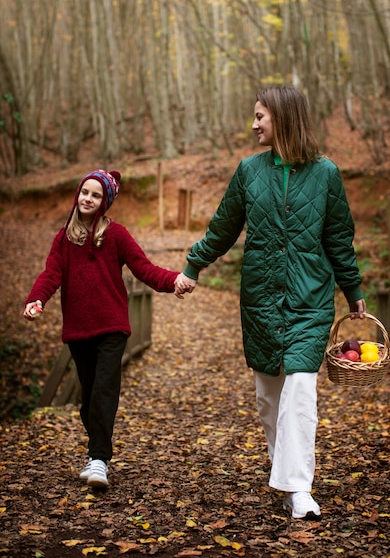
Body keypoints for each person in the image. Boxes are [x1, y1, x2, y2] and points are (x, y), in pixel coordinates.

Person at [175, 85, 366, 520]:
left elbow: (339, 239)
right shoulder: (248, 170)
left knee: (300, 390)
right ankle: (286, 475)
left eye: (260, 115)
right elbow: (223, 227)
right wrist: (192, 267)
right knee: (269, 396)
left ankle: (298, 489)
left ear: (282, 117)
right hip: (261, 299)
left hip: (310, 299)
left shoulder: (326, 174)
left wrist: (352, 291)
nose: (254, 123)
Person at [24, 169, 187, 488]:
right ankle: (96, 454)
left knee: (103, 390)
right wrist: (37, 299)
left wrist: (174, 281)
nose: (88, 198)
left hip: (112, 327)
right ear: (77, 194)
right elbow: (51, 274)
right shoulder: (64, 238)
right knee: (88, 401)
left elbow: (144, 268)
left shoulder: (117, 235)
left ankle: (99, 459)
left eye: (96, 195)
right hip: (78, 330)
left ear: (105, 202)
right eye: (85, 192)